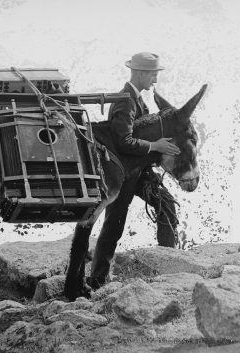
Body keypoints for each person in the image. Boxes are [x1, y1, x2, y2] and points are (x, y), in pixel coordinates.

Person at [87, 52, 181, 289]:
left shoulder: (136, 98)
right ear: (139, 73)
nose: (155, 80)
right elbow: (123, 142)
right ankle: (98, 279)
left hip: (137, 172)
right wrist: (155, 146)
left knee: (165, 204)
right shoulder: (125, 101)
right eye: (152, 74)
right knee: (114, 225)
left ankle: (169, 262)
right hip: (123, 175)